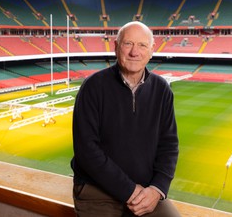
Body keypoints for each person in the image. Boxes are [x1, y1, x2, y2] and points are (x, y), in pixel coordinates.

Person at [71, 21, 180, 217]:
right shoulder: (93, 87)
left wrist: (157, 189)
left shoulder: (162, 89)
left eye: (142, 45)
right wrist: (129, 189)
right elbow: (86, 151)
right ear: (116, 47)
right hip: (97, 191)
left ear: (151, 50)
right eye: (128, 44)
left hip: (146, 191)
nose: (134, 52)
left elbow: (169, 144)